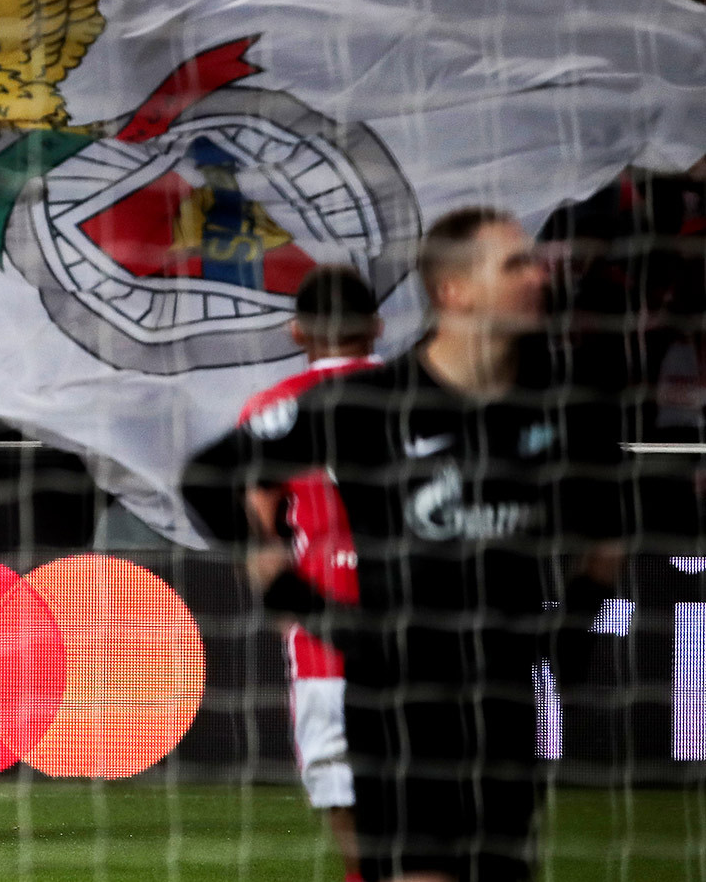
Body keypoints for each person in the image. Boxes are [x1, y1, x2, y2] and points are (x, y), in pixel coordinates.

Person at [184, 206, 625, 882]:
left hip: (505, 705)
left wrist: (571, 633)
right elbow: (212, 479)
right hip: (396, 699)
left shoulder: (568, 404)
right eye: (515, 265)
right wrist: (289, 590)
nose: (538, 277)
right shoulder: (372, 402)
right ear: (455, 290)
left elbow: (610, 524)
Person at [233, 266, 382, 882]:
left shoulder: (273, 409)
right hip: (427, 613)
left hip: (325, 619)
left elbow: (257, 521)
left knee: (336, 771)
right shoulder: (423, 391)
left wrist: (282, 604)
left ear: (297, 331)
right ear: (377, 326)